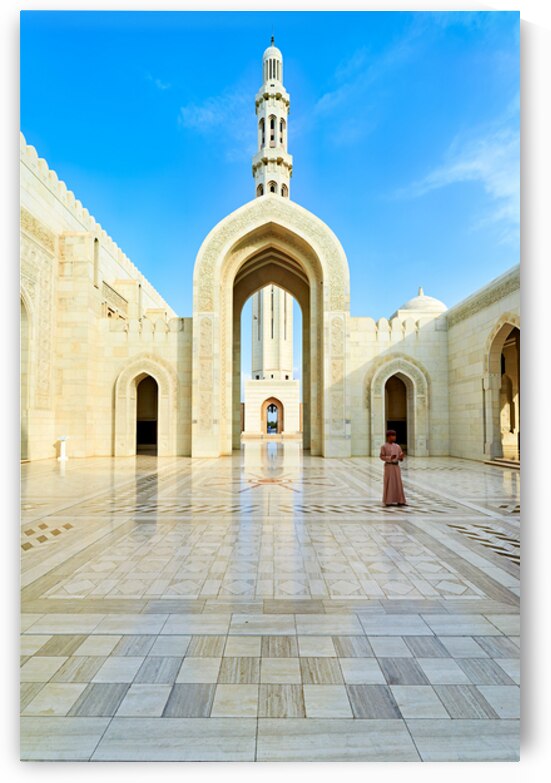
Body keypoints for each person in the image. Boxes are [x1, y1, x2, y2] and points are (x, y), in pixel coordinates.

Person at [380, 429, 407, 506]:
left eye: (394, 435)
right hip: (389, 466)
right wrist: (389, 458)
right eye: (392, 436)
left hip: (396, 467)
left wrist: (401, 457)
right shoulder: (384, 446)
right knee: (389, 483)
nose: (394, 437)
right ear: (388, 437)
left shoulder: (397, 446)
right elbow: (381, 456)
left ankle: (400, 500)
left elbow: (400, 457)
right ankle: (388, 501)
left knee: (398, 483)